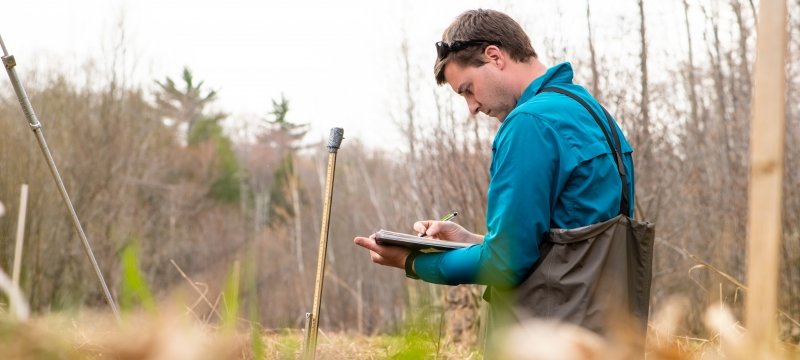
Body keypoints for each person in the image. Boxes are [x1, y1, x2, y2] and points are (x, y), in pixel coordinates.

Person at [354, 8, 649, 337]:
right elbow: (572, 248)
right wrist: (472, 242)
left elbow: (504, 265)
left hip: (546, 339)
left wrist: (413, 263)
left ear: (494, 56)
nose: (472, 106)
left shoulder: (529, 124)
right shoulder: (592, 113)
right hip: (605, 334)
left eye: (467, 88)